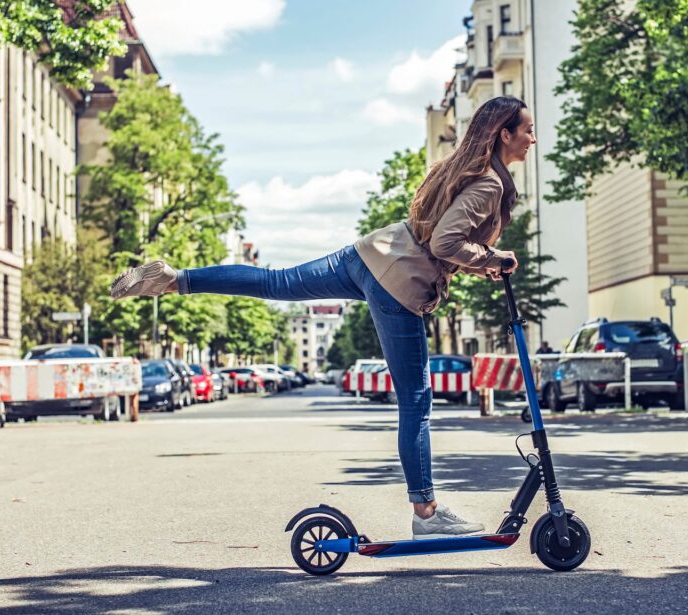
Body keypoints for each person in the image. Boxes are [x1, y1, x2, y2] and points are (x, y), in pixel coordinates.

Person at [110, 96, 536, 538]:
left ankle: (175, 279)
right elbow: (446, 244)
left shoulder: (463, 169)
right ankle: (426, 514)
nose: (532, 137)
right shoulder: (490, 184)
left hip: (369, 255)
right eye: (526, 129)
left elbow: (438, 237)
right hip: (399, 283)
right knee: (415, 400)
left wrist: (479, 261)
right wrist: (491, 255)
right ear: (504, 134)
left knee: (277, 282)